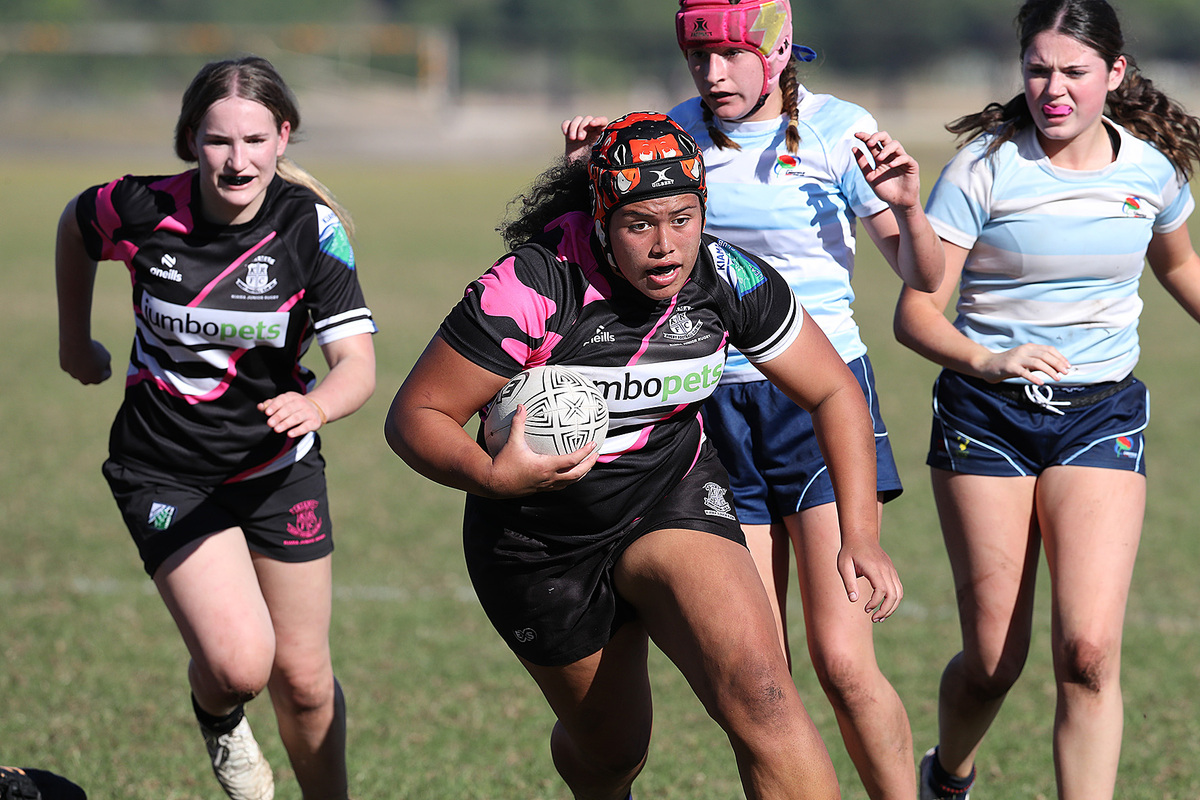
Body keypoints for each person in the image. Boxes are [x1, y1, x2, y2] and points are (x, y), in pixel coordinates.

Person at [385, 111, 903, 800]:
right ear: (601, 219)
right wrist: (491, 474)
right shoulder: (533, 286)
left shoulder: (728, 277)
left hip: (670, 498)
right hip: (539, 538)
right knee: (613, 752)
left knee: (765, 696)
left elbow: (836, 392)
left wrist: (860, 534)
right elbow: (415, 416)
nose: (666, 247)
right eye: (640, 224)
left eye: (683, 219)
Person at [562, 3, 943, 798]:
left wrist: (908, 204)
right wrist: (578, 177)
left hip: (818, 404)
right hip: (707, 410)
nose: (713, 75)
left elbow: (924, 275)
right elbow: (601, 252)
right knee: (757, 679)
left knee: (842, 663)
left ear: (775, 52)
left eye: (733, 56)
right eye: (699, 58)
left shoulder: (840, 129)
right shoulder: (671, 134)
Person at [893, 1, 1200, 798]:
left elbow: (1178, 266)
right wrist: (990, 361)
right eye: (1038, 69)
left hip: (1100, 415)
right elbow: (916, 313)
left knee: (1089, 655)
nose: (1053, 89)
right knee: (995, 663)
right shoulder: (983, 167)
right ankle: (948, 775)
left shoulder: (1150, 170)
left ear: (1115, 74)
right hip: (986, 418)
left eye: (1073, 71)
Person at [55, 56, 377, 800]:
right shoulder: (136, 207)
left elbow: (356, 364)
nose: (237, 160)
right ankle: (220, 718)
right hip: (164, 467)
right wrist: (75, 340)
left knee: (303, 681)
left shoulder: (310, 230)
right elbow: (76, 226)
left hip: (277, 470)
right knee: (239, 667)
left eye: (255, 140)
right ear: (190, 140)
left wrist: (319, 404)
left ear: (283, 137)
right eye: (218, 141)